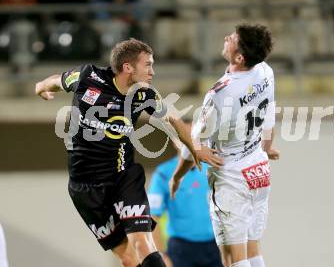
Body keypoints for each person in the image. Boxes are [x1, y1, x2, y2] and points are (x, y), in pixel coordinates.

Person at [35, 38, 223, 267]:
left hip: (123, 177)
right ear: (128, 67)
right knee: (127, 258)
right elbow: (57, 81)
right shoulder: (87, 78)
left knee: (143, 244)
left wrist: (194, 147)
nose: (152, 72)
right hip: (86, 187)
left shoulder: (144, 95)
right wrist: (41, 87)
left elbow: (172, 121)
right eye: (148, 65)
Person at [170, 24, 280, 267]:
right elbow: (269, 113)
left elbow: (192, 143)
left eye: (231, 39)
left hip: (232, 177)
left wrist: (177, 177)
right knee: (253, 249)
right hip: (258, 170)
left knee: (232, 257)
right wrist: (267, 146)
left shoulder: (221, 93)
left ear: (239, 57)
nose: (225, 38)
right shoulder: (264, 71)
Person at [148, 142, 222, 267]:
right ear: (175, 141)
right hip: (181, 250)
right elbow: (151, 219)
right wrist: (160, 255)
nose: (188, 141)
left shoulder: (213, 167)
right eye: (183, 137)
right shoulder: (163, 173)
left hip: (215, 246)